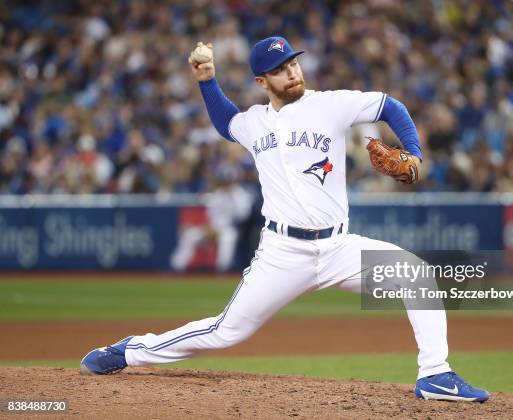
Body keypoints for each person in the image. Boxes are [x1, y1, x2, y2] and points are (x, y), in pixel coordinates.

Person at [81, 36, 490, 403]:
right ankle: (130, 350)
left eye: (293, 63)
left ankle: (436, 374)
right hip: (282, 253)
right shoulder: (254, 122)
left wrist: (414, 152)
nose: (291, 72)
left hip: (337, 248)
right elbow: (226, 122)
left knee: (415, 274)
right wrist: (207, 79)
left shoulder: (330, 104)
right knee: (227, 332)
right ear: (262, 82)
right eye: (279, 69)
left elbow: (390, 106)